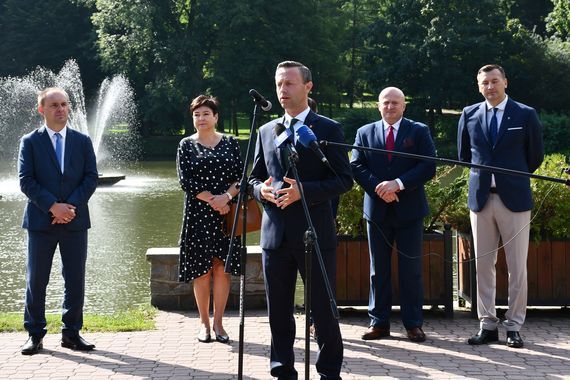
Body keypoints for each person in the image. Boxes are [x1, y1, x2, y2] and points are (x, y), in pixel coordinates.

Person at [249, 61, 353, 379]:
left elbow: (344, 180)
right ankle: (282, 369)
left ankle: (329, 370)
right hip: (275, 236)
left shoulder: (327, 129)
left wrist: (302, 192)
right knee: (278, 310)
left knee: (322, 310)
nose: (283, 89)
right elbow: (252, 180)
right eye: (280, 84)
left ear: (308, 87)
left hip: (314, 233)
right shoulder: (267, 131)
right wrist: (261, 192)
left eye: (290, 83)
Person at [458, 64, 544, 348]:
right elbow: (463, 155)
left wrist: (511, 178)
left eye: (495, 81)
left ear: (506, 82)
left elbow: (534, 157)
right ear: (478, 86)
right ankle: (487, 324)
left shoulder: (525, 114)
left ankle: (514, 325)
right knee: (483, 265)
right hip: (481, 200)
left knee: (517, 267)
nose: (490, 87)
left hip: (514, 200)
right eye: (485, 83)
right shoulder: (469, 114)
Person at [351, 87, 436, 343]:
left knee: (411, 269)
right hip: (377, 211)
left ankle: (413, 324)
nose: (390, 107)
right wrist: (380, 188)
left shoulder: (418, 131)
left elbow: (428, 165)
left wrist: (397, 183)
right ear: (378, 106)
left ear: (404, 106)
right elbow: (356, 165)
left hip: (409, 211)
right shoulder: (364, 132)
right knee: (378, 270)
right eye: (386, 103)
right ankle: (379, 323)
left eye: (395, 103)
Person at [18, 87, 98, 355]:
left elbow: (90, 178)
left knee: (75, 280)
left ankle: (72, 333)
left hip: (75, 222)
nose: (61, 109)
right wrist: (53, 206)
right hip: (41, 223)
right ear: (42, 109)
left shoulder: (82, 141)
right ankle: (35, 334)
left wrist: (69, 207)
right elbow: (25, 180)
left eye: (64, 104)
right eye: (54, 105)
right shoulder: (29, 142)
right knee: (36, 280)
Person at [177, 94, 242, 344]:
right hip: (198, 214)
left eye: (206, 113)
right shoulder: (186, 144)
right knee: (201, 271)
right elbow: (186, 181)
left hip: (227, 214)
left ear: (216, 117)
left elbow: (240, 177)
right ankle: (203, 324)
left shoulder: (231, 142)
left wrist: (226, 197)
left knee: (221, 269)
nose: (201, 118)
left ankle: (219, 324)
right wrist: (214, 200)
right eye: (196, 114)